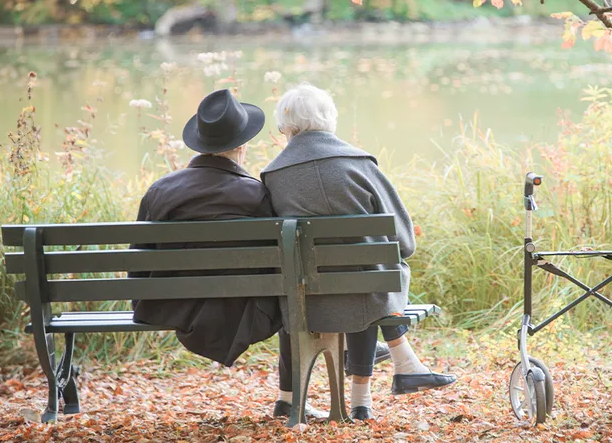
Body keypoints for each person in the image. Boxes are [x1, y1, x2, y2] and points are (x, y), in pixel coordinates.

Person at [128, 88, 384, 420]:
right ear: (242, 146)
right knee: (290, 290)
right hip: (242, 315)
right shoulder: (254, 193)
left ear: (199, 143)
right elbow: (280, 262)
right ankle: (292, 396)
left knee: (286, 285)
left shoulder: (160, 190)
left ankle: (289, 398)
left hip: (170, 309)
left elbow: (138, 261)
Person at [261, 83, 458, 421]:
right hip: (364, 294)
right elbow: (405, 242)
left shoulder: (272, 175)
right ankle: (363, 400)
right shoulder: (359, 163)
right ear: (329, 119)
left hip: (303, 301)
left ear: (286, 126)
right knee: (366, 273)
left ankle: (391, 373)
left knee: (357, 274)